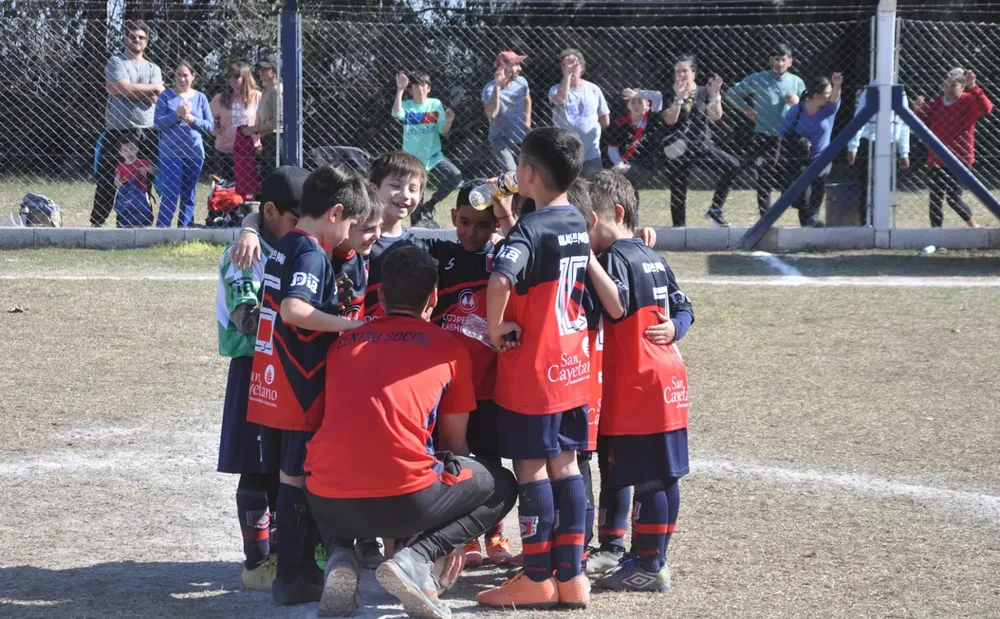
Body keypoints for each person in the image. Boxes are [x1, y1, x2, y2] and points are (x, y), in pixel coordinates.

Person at [305, 245, 518, 619]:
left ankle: (341, 554)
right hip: (407, 504)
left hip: (326, 504)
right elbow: (455, 446)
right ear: (434, 296)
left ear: (382, 295)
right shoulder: (450, 349)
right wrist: (445, 535)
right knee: (501, 484)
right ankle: (416, 558)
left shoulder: (342, 343)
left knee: (336, 463)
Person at [478, 127, 592, 609]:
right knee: (566, 466)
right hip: (571, 365)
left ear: (528, 173)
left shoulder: (530, 229)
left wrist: (495, 327)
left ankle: (537, 576)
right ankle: (572, 577)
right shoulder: (576, 220)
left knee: (530, 469)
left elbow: (502, 276)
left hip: (535, 372)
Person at [246, 164, 370, 605]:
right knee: (298, 480)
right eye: (351, 225)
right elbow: (295, 311)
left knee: (289, 477)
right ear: (336, 213)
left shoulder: (284, 244)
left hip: (277, 381)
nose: (347, 237)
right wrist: (348, 326)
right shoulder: (313, 254)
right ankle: (295, 577)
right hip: (300, 386)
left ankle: (293, 575)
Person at [584, 169, 693, 593]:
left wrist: (588, 259)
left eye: (589, 220)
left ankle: (650, 563)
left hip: (641, 381)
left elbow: (616, 307)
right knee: (661, 475)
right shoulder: (652, 256)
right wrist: (677, 328)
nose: (586, 230)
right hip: (665, 377)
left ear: (614, 213)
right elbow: (686, 305)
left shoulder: (614, 258)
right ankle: (646, 556)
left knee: (652, 478)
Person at [215, 166, 306, 593]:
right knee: (255, 468)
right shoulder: (242, 257)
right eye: (295, 216)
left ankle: (283, 552)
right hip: (253, 371)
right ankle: (256, 563)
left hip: (285, 369)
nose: (302, 225)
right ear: (270, 212)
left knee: (283, 466)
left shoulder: (290, 246)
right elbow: (247, 320)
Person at [91, 20, 163, 227]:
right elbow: (118, 89)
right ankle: (97, 223)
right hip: (117, 130)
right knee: (107, 178)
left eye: (141, 37)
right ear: (125, 39)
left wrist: (130, 89)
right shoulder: (117, 62)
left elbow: (158, 96)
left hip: (146, 131)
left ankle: (140, 219)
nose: (137, 40)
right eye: (133, 37)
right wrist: (148, 90)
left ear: (146, 42)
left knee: (143, 179)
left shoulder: (153, 68)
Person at [725, 44, 807, 217]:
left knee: (790, 174)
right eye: (775, 59)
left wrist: (797, 102)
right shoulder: (758, 79)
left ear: (790, 62)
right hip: (764, 135)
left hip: (788, 137)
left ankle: (800, 208)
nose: (779, 63)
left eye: (783, 60)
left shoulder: (797, 82)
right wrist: (747, 109)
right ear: (770, 61)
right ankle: (765, 217)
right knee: (764, 177)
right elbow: (731, 94)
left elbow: (807, 109)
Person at [661, 55, 738, 228]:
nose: (680, 75)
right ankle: (679, 228)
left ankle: (715, 209)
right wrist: (678, 98)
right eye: (677, 71)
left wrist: (716, 95)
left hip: (701, 144)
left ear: (693, 73)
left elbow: (715, 116)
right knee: (678, 191)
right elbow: (669, 120)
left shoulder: (703, 91)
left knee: (732, 164)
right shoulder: (670, 93)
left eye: (684, 71)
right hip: (678, 148)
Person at [913, 67, 992, 228]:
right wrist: (917, 111)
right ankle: (937, 235)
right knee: (935, 200)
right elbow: (922, 122)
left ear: (963, 86)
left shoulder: (968, 100)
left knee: (953, 199)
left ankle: (974, 227)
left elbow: (987, 108)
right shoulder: (935, 102)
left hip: (960, 158)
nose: (949, 88)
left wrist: (974, 86)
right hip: (936, 158)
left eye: (954, 84)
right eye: (947, 84)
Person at [392, 71, 460, 228]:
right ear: (411, 90)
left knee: (455, 176)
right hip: (413, 160)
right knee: (416, 196)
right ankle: (416, 229)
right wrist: (400, 89)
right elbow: (396, 113)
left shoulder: (435, 104)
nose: (420, 89)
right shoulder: (407, 106)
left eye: (423, 85)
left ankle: (430, 205)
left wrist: (448, 121)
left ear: (428, 88)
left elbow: (443, 130)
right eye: (415, 86)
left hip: (434, 157)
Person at [778, 73, 844, 228]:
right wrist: (799, 141)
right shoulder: (797, 110)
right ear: (816, 95)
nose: (829, 96)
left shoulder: (829, 110)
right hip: (800, 157)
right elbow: (783, 134)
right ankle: (806, 223)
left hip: (822, 156)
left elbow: (835, 97)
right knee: (803, 192)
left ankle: (813, 215)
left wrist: (837, 85)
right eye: (826, 93)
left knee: (819, 178)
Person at [153, 60, 214, 228]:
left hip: (194, 153)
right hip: (171, 154)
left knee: (189, 194)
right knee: (171, 193)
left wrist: (193, 120)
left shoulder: (200, 98)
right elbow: (157, 123)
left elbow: (210, 126)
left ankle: (184, 229)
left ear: (193, 76)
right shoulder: (166, 96)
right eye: (178, 75)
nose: (181, 79)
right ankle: (162, 231)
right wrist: (176, 115)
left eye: (185, 75)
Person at [847, 84, 911, 226]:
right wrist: (853, 146)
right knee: (867, 185)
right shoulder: (869, 91)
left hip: (890, 142)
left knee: (883, 185)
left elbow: (903, 122)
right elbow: (859, 118)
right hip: (869, 142)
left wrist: (904, 151)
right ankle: (866, 222)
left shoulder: (899, 92)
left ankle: (880, 222)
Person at [548, 48, 610, 178]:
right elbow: (559, 100)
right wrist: (568, 76)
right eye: (565, 65)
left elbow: (605, 119)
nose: (569, 68)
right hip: (565, 154)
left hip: (591, 154)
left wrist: (589, 133)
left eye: (573, 65)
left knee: (594, 191)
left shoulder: (593, 89)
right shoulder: (555, 90)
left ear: (581, 67)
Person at [211, 62, 262, 200]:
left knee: (250, 191)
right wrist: (215, 130)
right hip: (226, 150)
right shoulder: (221, 98)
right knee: (226, 190)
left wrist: (258, 134)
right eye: (230, 76)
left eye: (236, 76)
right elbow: (206, 117)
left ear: (245, 77)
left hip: (250, 151)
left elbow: (265, 121)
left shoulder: (257, 96)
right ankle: (226, 218)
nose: (232, 79)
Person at [606, 88, 664, 204]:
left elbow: (658, 95)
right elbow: (612, 148)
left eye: (640, 101)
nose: (636, 105)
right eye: (633, 102)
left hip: (647, 164)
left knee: (627, 178)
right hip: (624, 164)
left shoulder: (653, 119)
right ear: (628, 106)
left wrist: (638, 93)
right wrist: (619, 164)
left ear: (647, 105)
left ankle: (632, 216)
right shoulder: (620, 123)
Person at [483, 51, 532, 173]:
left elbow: (527, 100)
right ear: (503, 66)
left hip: (521, 138)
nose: (520, 68)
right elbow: (491, 113)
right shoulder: (489, 89)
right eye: (515, 64)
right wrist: (498, 87)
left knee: (527, 173)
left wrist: (527, 124)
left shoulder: (522, 82)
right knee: (512, 173)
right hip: (500, 139)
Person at [246, 54, 281, 184]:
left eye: (265, 69)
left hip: (276, 140)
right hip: (267, 139)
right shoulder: (267, 90)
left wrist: (254, 129)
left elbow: (278, 121)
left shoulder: (278, 91)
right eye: (260, 68)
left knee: (273, 178)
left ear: (275, 72)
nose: (261, 71)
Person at [112, 132, 156, 228]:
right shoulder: (120, 167)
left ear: (137, 149)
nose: (129, 152)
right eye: (125, 150)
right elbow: (116, 182)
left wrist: (146, 169)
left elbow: (154, 170)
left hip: (141, 193)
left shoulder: (142, 162)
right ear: (120, 152)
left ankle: (144, 221)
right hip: (126, 194)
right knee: (125, 209)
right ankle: (123, 222)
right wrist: (124, 181)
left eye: (132, 149)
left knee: (143, 208)